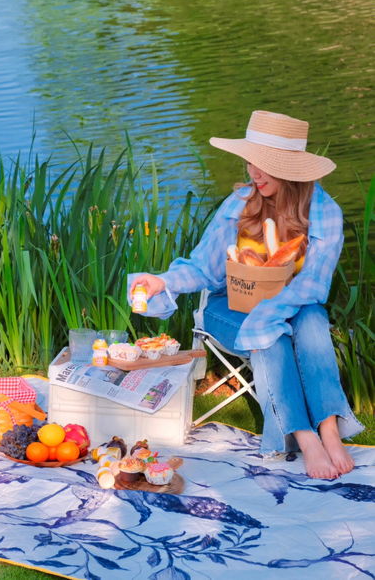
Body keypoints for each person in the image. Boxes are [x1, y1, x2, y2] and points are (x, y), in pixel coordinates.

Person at [129, 110, 363, 480]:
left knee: (312, 316)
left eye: (265, 163)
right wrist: (164, 281)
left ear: (291, 167)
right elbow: (204, 269)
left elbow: (313, 286)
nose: (254, 171)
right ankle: (305, 438)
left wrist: (272, 310)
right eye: (251, 160)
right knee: (270, 334)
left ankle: (330, 430)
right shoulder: (239, 204)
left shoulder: (324, 213)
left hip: (292, 306)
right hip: (228, 308)